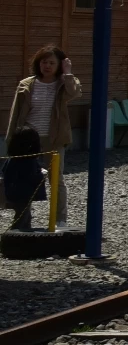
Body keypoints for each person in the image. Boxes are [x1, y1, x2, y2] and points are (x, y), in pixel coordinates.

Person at [7, 45, 78, 228]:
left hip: (54, 138)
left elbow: (74, 93)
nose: (47, 66)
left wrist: (68, 73)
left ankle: (60, 219)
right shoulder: (26, 84)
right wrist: (11, 138)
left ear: (59, 65)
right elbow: (15, 114)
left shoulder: (64, 83)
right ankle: (22, 219)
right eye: (44, 62)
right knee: (24, 177)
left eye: (52, 63)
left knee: (57, 178)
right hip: (28, 139)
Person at [3, 126, 45, 231]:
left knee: (25, 215)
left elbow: (4, 171)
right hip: (23, 194)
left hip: (13, 192)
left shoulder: (12, 159)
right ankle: (14, 237)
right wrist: (41, 174)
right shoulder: (29, 161)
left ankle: (24, 236)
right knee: (22, 217)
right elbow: (32, 177)